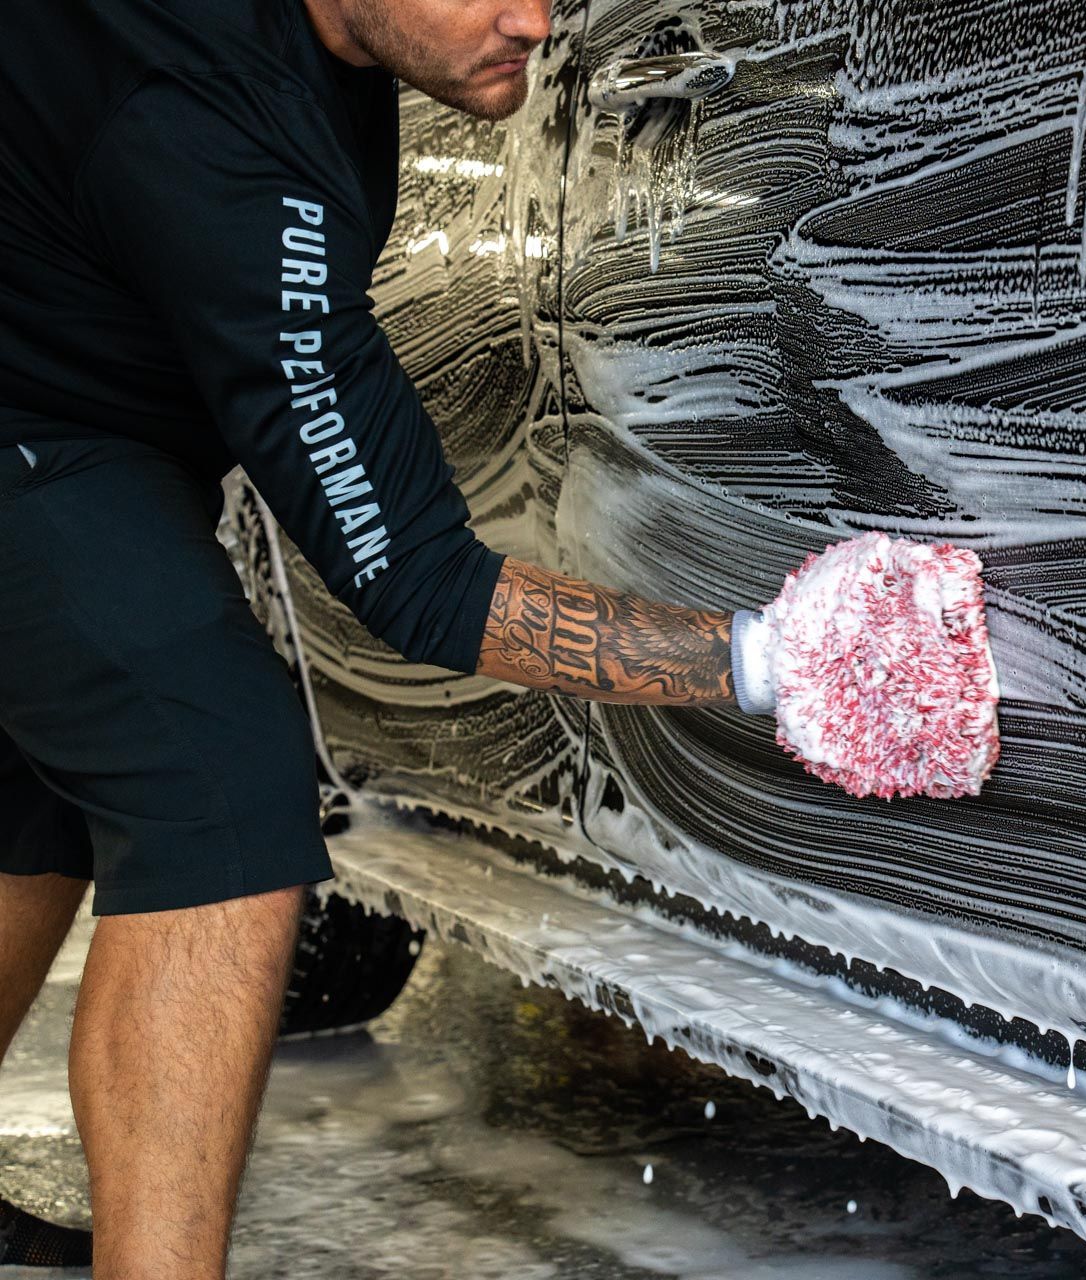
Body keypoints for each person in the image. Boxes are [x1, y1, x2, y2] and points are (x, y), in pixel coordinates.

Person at [0, 0, 795, 1274]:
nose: (533, 20)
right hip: (30, 423)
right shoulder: (215, 133)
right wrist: (763, 657)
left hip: (68, 391)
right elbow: (419, 582)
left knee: (44, 782)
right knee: (215, 779)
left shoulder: (290, 62)